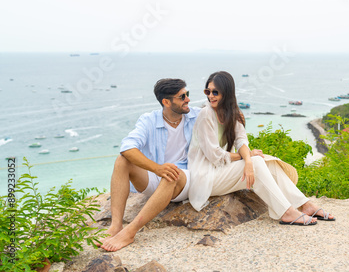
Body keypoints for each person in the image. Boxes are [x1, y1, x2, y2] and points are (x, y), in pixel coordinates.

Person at [188, 71, 335, 226]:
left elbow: (240, 140)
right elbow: (215, 156)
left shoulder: (231, 113)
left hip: (220, 171)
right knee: (257, 162)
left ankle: (305, 205)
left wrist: (248, 160)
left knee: (264, 161)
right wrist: (247, 157)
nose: (210, 96)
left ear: (227, 93)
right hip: (206, 178)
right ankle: (287, 212)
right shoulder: (206, 114)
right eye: (207, 91)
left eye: (215, 92)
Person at [100, 78, 200, 251]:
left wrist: (245, 151)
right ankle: (116, 226)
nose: (188, 99)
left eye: (187, 94)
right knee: (122, 160)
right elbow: (127, 147)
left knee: (172, 172)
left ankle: (130, 231)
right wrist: (157, 168)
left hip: (183, 179)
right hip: (156, 177)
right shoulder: (149, 120)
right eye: (182, 96)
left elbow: (225, 114)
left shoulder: (196, 115)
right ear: (166, 102)